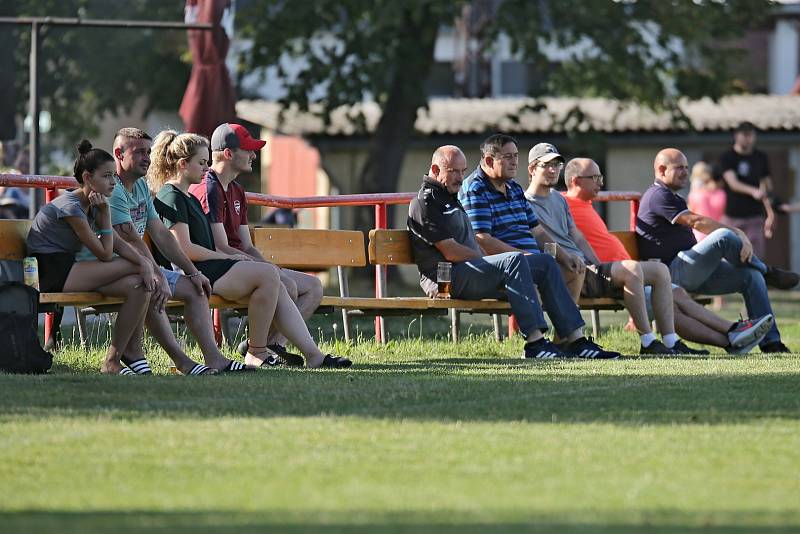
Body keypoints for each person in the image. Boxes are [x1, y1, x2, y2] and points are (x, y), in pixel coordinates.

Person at [148, 130, 350, 368]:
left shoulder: (186, 196)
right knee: (267, 275)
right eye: (202, 163)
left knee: (271, 276)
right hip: (193, 271)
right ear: (183, 164)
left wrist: (231, 258)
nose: (206, 168)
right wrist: (227, 257)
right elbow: (185, 250)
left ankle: (312, 355)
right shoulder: (171, 195)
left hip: (208, 266)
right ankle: (257, 351)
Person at [408, 144, 619, 360]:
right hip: (447, 279)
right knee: (514, 260)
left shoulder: (450, 196)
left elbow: (531, 234)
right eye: (453, 171)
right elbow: (450, 251)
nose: (460, 177)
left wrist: (561, 256)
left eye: (463, 171)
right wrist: (491, 260)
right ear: (435, 170)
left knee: (545, 262)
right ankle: (535, 343)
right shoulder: (426, 201)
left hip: (470, 270)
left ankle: (575, 339)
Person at [562, 157, 773, 354]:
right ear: (575, 181)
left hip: (634, 271)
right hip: (615, 275)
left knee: (677, 298)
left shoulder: (586, 204)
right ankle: (733, 331)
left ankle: (731, 340)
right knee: (676, 301)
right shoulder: (561, 203)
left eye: (601, 177)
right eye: (595, 178)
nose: (601, 182)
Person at [515, 141, 703, 355]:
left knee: (660, 271)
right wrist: (568, 259)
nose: (553, 170)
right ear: (532, 169)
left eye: (557, 165)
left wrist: (597, 264)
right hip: (564, 270)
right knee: (631, 269)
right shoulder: (523, 202)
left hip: (585, 268)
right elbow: (538, 241)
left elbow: (577, 236)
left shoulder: (559, 199)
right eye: (546, 165)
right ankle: (648, 341)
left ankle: (670, 341)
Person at [107, 127, 248, 374]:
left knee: (196, 289)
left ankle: (214, 358)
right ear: (118, 154)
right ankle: (176, 360)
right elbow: (129, 238)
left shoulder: (140, 187)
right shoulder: (112, 189)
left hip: (137, 266)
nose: (146, 158)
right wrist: (158, 273)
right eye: (139, 152)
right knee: (149, 283)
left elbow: (161, 234)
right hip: (111, 266)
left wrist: (193, 273)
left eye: (148, 152)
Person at [636, 148, 798, 354]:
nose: (685, 172)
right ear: (661, 170)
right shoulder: (657, 195)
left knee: (751, 276)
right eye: (679, 168)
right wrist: (738, 232)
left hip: (688, 269)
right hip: (669, 274)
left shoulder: (672, 196)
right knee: (725, 237)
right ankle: (768, 272)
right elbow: (696, 221)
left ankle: (772, 344)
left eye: (686, 168)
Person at [189, 123, 323, 364]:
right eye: (248, 149)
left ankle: (272, 346)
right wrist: (269, 271)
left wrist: (272, 268)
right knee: (287, 286)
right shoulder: (209, 187)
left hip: (239, 264)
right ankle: (259, 349)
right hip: (218, 268)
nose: (254, 154)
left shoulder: (237, 190)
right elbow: (220, 247)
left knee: (313, 287)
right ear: (228, 154)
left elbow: (246, 245)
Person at [26, 140, 153, 375]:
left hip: (69, 268)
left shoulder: (92, 204)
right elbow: (105, 254)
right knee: (134, 268)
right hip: (49, 272)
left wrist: (145, 264)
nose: (113, 182)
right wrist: (105, 215)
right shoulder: (71, 207)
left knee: (140, 287)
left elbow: (117, 243)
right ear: (87, 177)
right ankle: (120, 359)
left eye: (114, 176)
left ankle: (113, 361)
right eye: (106, 176)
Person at [719, 121, 776, 258]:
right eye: (744, 134)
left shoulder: (761, 157)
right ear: (736, 135)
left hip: (755, 217)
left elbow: (767, 187)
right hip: (732, 217)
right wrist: (753, 191)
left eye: (750, 134)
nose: (747, 137)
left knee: (755, 258)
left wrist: (771, 214)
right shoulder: (727, 157)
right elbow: (733, 183)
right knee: (728, 257)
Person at [687, 161, 726, 242]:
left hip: (699, 234)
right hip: (718, 232)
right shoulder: (721, 193)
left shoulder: (695, 194)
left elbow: (690, 215)